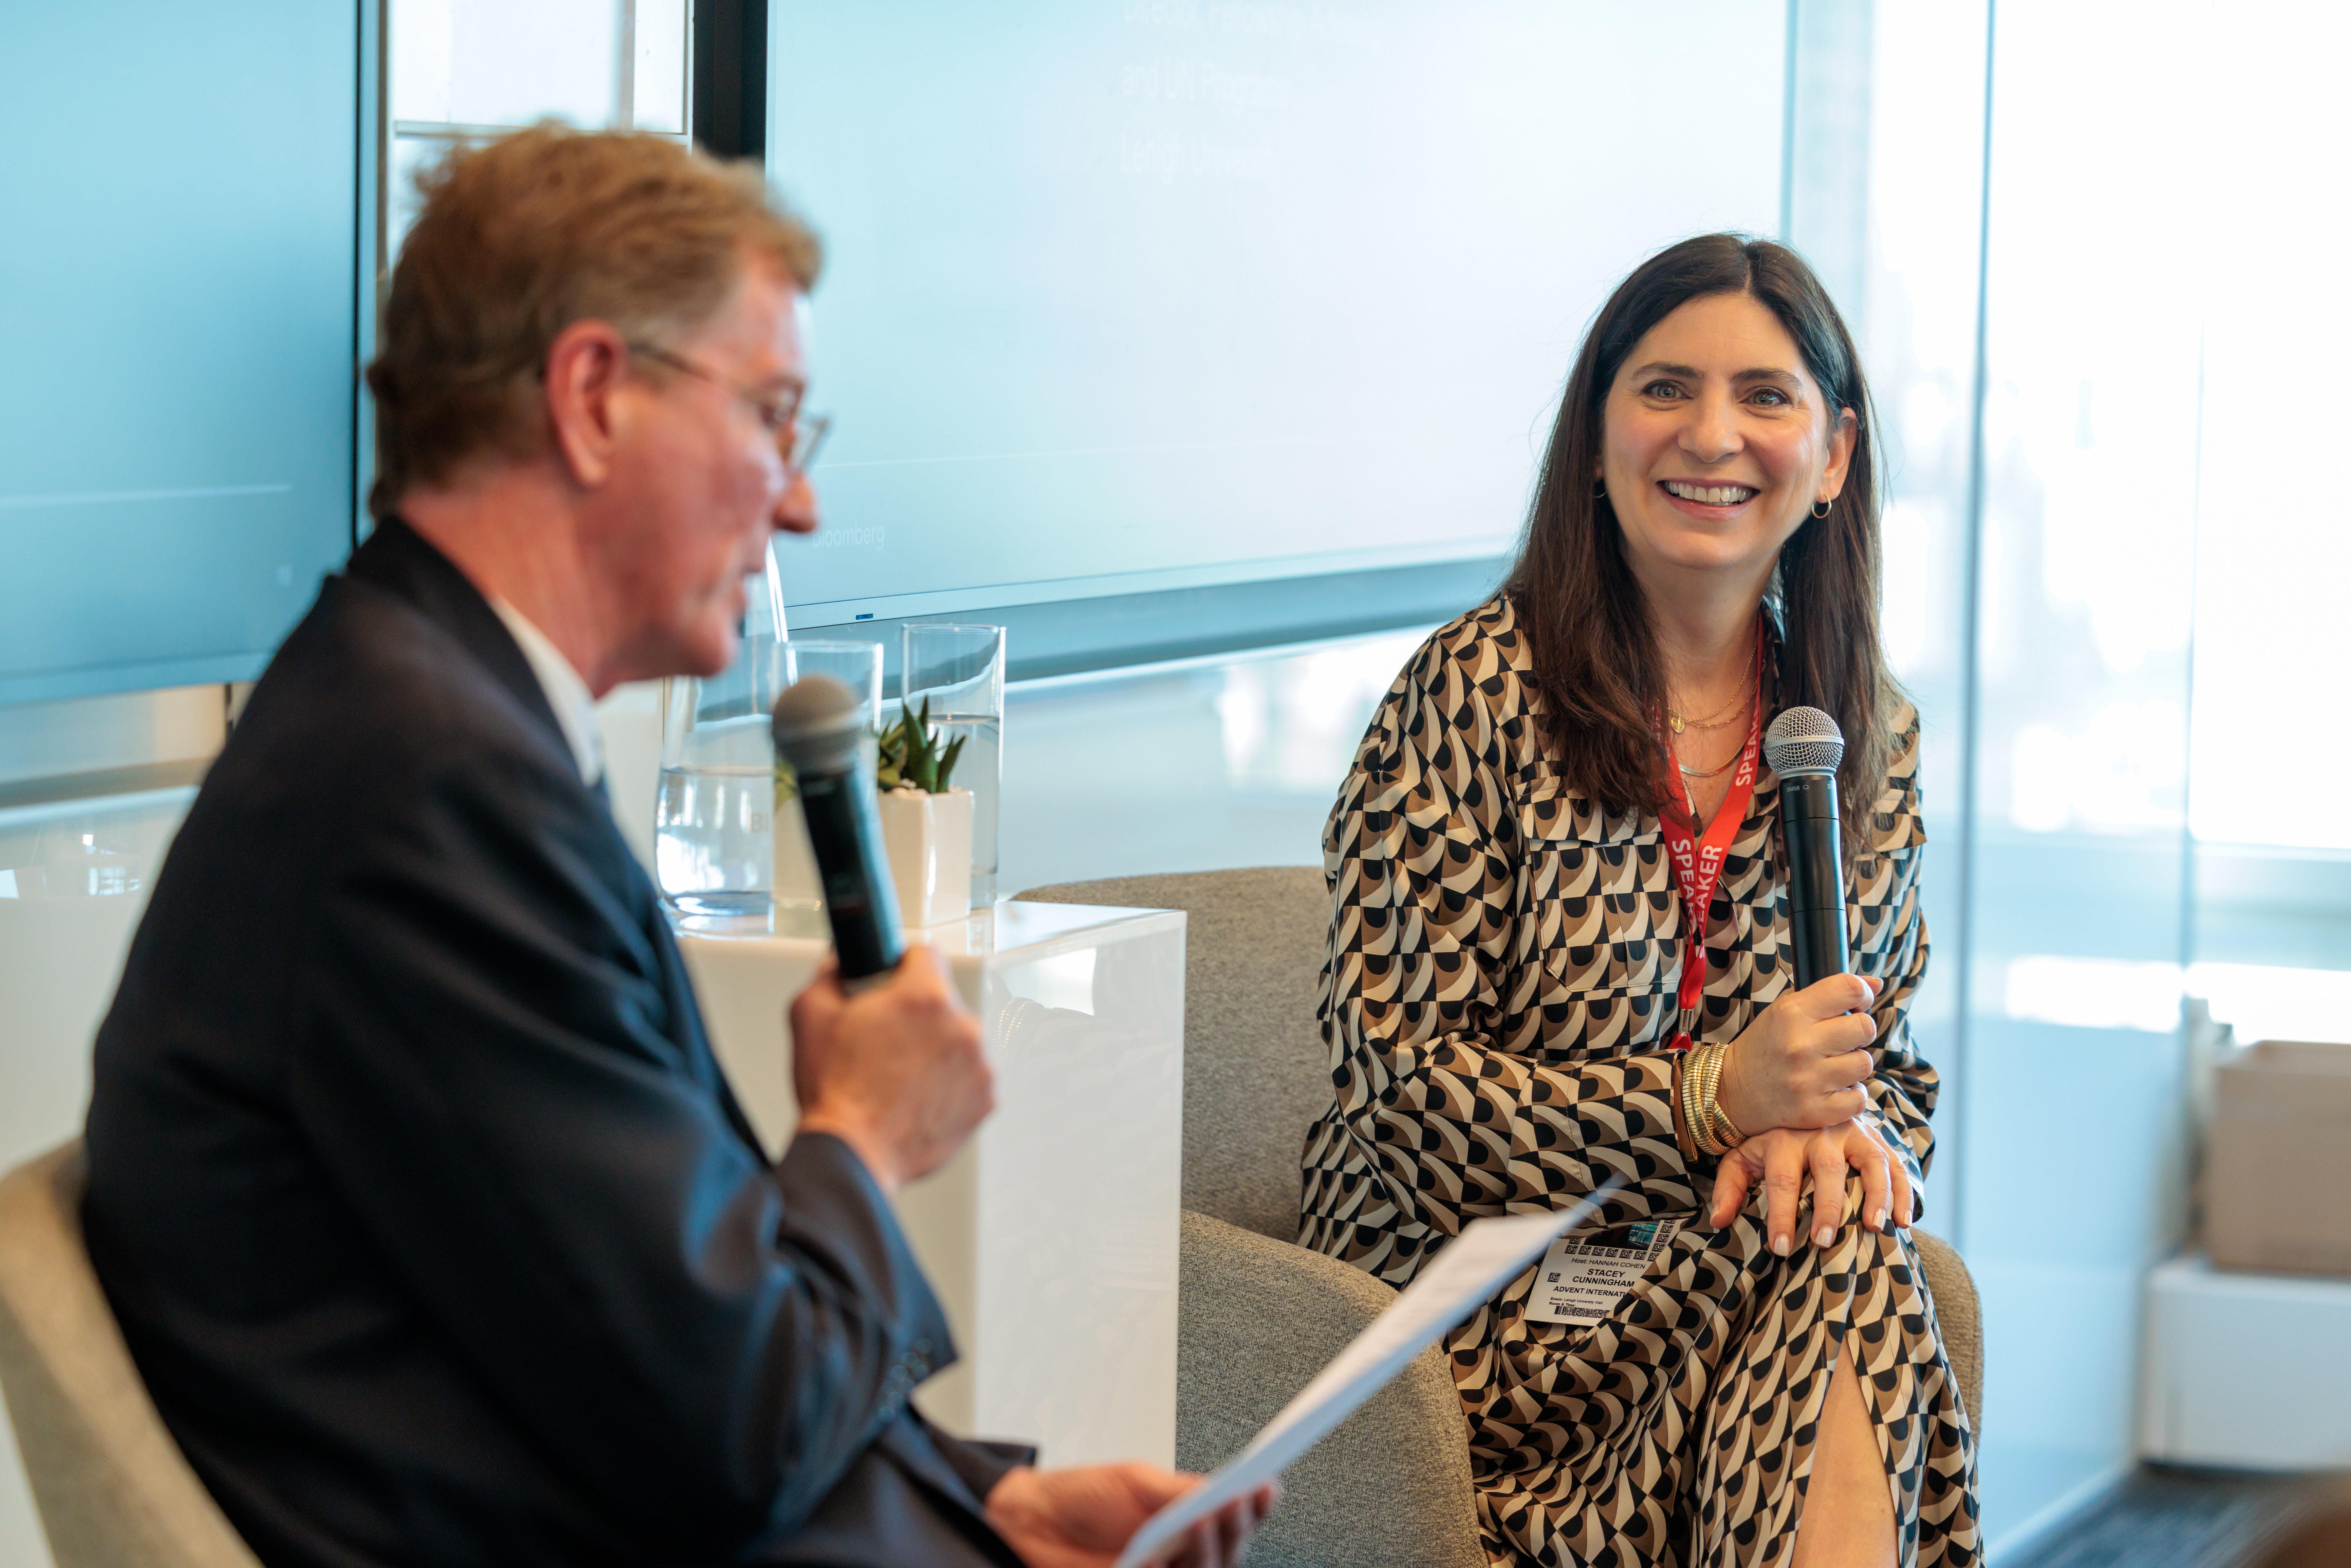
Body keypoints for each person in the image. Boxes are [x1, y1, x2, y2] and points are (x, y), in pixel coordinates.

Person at [81, 125, 1269, 1568]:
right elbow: (733, 1430)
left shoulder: (443, 731)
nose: (802, 497)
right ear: (591, 398)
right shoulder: (422, 787)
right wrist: (861, 1134)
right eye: (773, 413)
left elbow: (623, 1333)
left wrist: (982, 1500)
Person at [1297, 234, 1978, 1567]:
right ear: (1596, 440)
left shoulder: (1860, 737)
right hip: (1472, 1300)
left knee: (1839, 1244)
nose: (1711, 434)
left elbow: (1883, 1068)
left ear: (1831, 457)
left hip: (1733, 1270)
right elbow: (1399, 1102)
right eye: (1664, 387)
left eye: (1765, 397)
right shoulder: (1471, 697)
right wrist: (1708, 1103)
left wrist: (1835, 1142)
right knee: (1834, 1272)